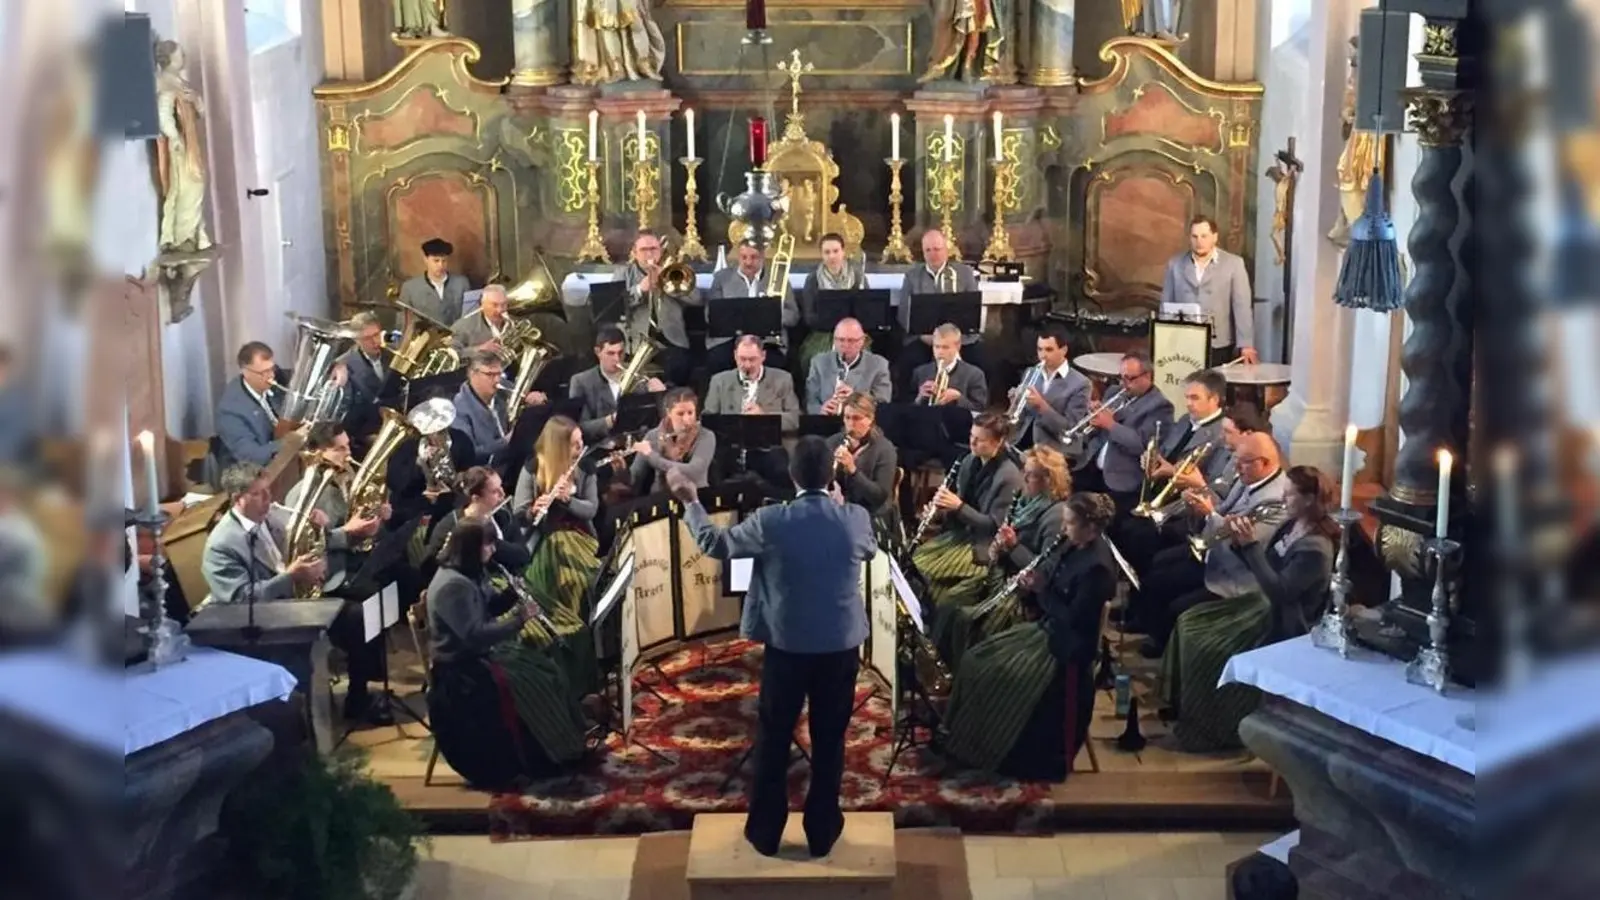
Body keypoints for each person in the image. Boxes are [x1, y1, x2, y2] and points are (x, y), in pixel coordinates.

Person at [673, 436, 877, 858]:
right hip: (840, 646)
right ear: (832, 475)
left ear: (791, 476)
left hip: (787, 645)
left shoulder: (771, 520)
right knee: (830, 739)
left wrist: (691, 501)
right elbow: (869, 549)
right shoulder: (855, 518)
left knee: (774, 736)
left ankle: (766, 833)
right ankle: (822, 833)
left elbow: (716, 545)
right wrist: (840, 506)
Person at [940, 492, 1118, 781]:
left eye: (1070, 523)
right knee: (977, 654)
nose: (1063, 529)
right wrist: (1036, 582)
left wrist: (1040, 590)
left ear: (1091, 528)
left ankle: (987, 746)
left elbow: (1072, 619)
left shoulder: (1097, 570)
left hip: (1064, 647)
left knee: (982, 667)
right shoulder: (1074, 544)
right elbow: (1057, 584)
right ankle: (963, 737)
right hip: (1050, 628)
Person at [1160, 465, 1336, 752]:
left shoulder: (1315, 549)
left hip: (1283, 621)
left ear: (1309, 500)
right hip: (1259, 604)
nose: (1283, 499)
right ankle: (1183, 705)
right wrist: (1239, 542)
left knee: (1206, 646)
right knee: (1189, 621)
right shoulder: (1291, 526)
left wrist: (1251, 546)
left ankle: (1213, 727)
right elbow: (1265, 566)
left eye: (1290, 494)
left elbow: (1280, 592)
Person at [200, 462, 391, 725]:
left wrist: (347, 533)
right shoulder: (222, 544)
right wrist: (291, 576)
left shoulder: (272, 516)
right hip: (263, 619)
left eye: (268, 490)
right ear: (237, 499)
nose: (268, 499)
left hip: (294, 602)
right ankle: (303, 722)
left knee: (361, 615)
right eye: (258, 494)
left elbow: (316, 541)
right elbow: (241, 600)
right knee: (305, 652)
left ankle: (357, 698)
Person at [426, 517, 589, 790]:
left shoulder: (472, 572)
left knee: (545, 666)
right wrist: (519, 620)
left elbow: (490, 606)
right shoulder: (452, 586)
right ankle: (542, 757)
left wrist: (513, 594)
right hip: (461, 670)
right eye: (488, 545)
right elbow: (474, 634)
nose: (493, 550)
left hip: (480, 655)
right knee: (533, 684)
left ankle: (568, 743)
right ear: (470, 548)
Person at [1132, 431, 1289, 658]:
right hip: (1214, 556)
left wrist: (1209, 514)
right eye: (1236, 461)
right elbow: (1224, 509)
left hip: (1235, 577)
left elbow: (1242, 542)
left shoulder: (1274, 500)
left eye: (1243, 463)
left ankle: (1169, 652)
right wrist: (1198, 504)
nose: (1237, 469)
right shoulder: (1250, 477)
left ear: (1263, 463)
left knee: (1176, 606)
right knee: (1157, 572)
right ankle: (1152, 630)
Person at [937, 446, 1071, 668]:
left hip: (1024, 596)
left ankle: (963, 672)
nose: (1023, 479)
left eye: (1031, 475)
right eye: (1024, 471)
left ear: (1049, 480)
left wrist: (1013, 546)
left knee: (967, 620)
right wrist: (997, 550)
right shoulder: (1025, 501)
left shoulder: (1055, 516)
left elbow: (1044, 573)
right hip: (1001, 574)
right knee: (947, 603)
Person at [909, 412, 1021, 623]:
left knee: (924, 570)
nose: (972, 442)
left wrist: (958, 506)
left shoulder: (1009, 476)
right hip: (962, 534)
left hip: (983, 546)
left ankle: (930, 624)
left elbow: (994, 526)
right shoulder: (969, 461)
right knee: (914, 562)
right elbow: (959, 506)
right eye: (971, 436)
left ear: (998, 442)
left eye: (980, 439)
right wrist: (939, 512)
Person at [513, 417, 599, 651]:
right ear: (558, 446)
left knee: (583, 581)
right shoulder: (533, 467)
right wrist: (534, 510)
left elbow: (591, 509)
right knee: (564, 579)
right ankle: (569, 640)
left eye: (581, 440)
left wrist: (568, 500)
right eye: (574, 444)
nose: (581, 447)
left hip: (580, 539)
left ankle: (590, 636)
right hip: (545, 542)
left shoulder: (585, 467)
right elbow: (519, 513)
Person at [1072, 350, 1174, 516]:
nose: (1124, 384)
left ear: (1147, 376)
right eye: (1121, 377)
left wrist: (1110, 424)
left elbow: (1142, 446)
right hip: (1091, 466)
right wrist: (1094, 417)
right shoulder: (1114, 392)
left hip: (1121, 481)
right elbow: (1098, 432)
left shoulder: (1160, 407)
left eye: (1130, 378)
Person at [283, 423, 384, 585]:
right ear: (318, 453)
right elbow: (302, 547)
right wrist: (347, 531)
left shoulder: (347, 476)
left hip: (356, 557)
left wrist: (376, 512)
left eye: (348, 446)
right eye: (340, 449)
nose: (348, 453)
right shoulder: (300, 495)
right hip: (332, 573)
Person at [705, 336, 801, 492]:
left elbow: (795, 419)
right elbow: (708, 417)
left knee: (780, 467)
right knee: (714, 468)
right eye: (742, 359)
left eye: (752, 359)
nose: (747, 365)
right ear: (735, 356)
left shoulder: (783, 379)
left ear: (763, 356)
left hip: (769, 448)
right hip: (732, 447)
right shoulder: (719, 381)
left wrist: (764, 417)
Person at [1159, 215, 1257, 367]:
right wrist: (1164, 341)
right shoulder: (1175, 265)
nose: (1199, 241)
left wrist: (1246, 344)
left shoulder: (1234, 264)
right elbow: (1166, 305)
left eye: (1204, 236)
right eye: (1195, 236)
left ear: (1215, 237)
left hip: (1219, 343)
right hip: (1183, 342)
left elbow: (1242, 306)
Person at [896, 230, 982, 395]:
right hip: (924, 338)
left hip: (960, 339)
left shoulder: (965, 273)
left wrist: (953, 339)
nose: (933, 254)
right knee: (908, 361)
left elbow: (973, 308)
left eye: (937, 249)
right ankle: (912, 402)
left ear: (946, 250)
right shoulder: (912, 276)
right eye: (928, 250)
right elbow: (904, 312)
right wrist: (926, 337)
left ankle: (973, 401)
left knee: (981, 359)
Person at [706, 240, 799, 374]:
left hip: (768, 340)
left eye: (754, 257)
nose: (748, 262)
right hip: (729, 340)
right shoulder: (722, 278)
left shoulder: (779, 278)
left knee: (774, 363)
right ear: (738, 256)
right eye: (744, 257)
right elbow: (709, 314)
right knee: (718, 360)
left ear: (763, 257)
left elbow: (793, 316)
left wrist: (770, 314)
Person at [619, 229, 698, 386]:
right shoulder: (623, 274)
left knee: (680, 368)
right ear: (634, 253)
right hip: (636, 342)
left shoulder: (676, 271)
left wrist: (668, 283)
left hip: (671, 341)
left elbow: (697, 299)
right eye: (644, 250)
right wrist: (640, 289)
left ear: (660, 251)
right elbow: (614, 305)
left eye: (653, 249)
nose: (649, 254)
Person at [568, 325, 667, 445]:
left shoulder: (640, 378)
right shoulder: (581, 381)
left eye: (621, 353)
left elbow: (658, 420)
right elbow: (580, 427)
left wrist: (660, 396)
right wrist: (610, 420)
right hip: (602, 447)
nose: (617, 359)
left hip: (639, 444)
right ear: (598, 352)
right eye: (611, 353)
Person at [450, 349, 547, 466]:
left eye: (499, 374)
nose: (497, 380)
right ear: (472, 374)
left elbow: (522, 396)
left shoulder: (503, 388)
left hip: (515, 459)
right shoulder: (459, 409)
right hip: (488, 469)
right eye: (490, 374)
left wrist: (532, 399)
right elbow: (469, 455)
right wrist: (505, 442)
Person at [1007, 324, 1090, 459]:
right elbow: (1021, 417)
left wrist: (1041, 405)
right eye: (1040, 349)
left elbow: (1071, 429)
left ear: (1063, 350)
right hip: (1023, 440)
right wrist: (1015, 402)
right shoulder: (1031, 372)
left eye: (1049, 350)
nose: (1043, 355)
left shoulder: (1081, 384)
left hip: (1055, 449)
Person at [826, 392, 900, 543]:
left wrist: (853, 470)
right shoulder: (833, 442)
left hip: (871, 517)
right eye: (847, 417)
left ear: (870, 419)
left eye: (856, 418)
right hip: (839, 512)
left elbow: (879, 497)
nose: (850, 424)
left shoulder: (885, 449)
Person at [796, 233, 867, 373]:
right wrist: (829, 323)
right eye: (827, 252)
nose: (832, 256)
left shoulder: (858, 277)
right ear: (821, 255)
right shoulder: (812, 279)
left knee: (863, 356)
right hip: (822, 333)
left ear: (843, 252)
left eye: (835, 251)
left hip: (852, 333)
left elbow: (866, 309)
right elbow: (808, 316)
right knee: (813, 356)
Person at [628, 387, 716, 494]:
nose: (686, 420)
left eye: (690, 413)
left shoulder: (706, 436)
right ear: (668, 412)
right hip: (661, 496)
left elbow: (694, 472)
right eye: (680, 414)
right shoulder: (653, 435)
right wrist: (621, 471)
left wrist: (651, 456)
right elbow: (635, 478)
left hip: (696, 496)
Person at [215, 341, 287, 468]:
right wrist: (291, 442)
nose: (271, 376)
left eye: (272, 369)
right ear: (245, 372)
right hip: (247, 470)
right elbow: (252, 456)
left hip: (278, 455)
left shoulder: (275, 376)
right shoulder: (230, 411)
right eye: (263, 372)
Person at [805, 318, 894, 414]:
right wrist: (820, 410)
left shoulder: (878, 365)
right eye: (841, 340)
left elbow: (883, 403)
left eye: (851, 341)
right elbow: (810, 401)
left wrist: (856, 399)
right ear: (834, 340)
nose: (845, 345)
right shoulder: (819, 362)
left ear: (862, 341)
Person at [337, 312, 391, 446]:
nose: (375, 342)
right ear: (356, 340)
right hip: (365, 440)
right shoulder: (343, 366)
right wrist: (367, 437)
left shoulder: (393, 356)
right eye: (367, 338)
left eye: (377, 335)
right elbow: (346, 417)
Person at [910, 322, 988, 411]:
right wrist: (919, 398)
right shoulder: (920, 372)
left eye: (945, 347)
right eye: (937, 347)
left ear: (958, 346)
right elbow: (906, 408)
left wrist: (958, 398)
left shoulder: (975, 374)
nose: (940, 352)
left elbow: (980, 409)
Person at [399, 237, 470, 326]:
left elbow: (469, 317)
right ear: (426, 260)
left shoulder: (462, 284)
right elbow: (403, 322)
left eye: (444, 261)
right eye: (436, 261)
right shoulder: (410, 288)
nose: (441, 265)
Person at [449, 283, 516, 352]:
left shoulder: (513, 321)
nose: (500, 310)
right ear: (482, 304)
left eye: (504, 304)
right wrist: (479, 349)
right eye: (494, 305)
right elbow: (451, 353)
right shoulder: (462, 327)